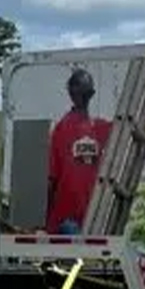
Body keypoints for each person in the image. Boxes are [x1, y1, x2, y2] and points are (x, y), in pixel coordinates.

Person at [46, 67, 113, 234]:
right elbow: (51, 179)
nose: (81, 96)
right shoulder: (62, 129)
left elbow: (51, 180)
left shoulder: (101, 128)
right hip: (71, 220)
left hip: (91, 219)